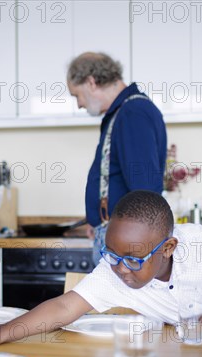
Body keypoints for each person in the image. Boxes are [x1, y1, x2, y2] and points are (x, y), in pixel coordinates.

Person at [0, 190, 202, 346]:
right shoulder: (117, 269)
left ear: (168, 248)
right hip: (195, 348)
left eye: (133, 259)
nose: (120, 268)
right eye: (111, 254)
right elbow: (63, 306)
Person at [67, 52, 167, 260]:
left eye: (77, 95)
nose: (79, 104)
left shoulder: (133, 113)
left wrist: (128, 243)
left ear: (91, 82)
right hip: (115, 234)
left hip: (123, 242)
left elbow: (145, 190)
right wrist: (98, 221)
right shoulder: (124, 112)